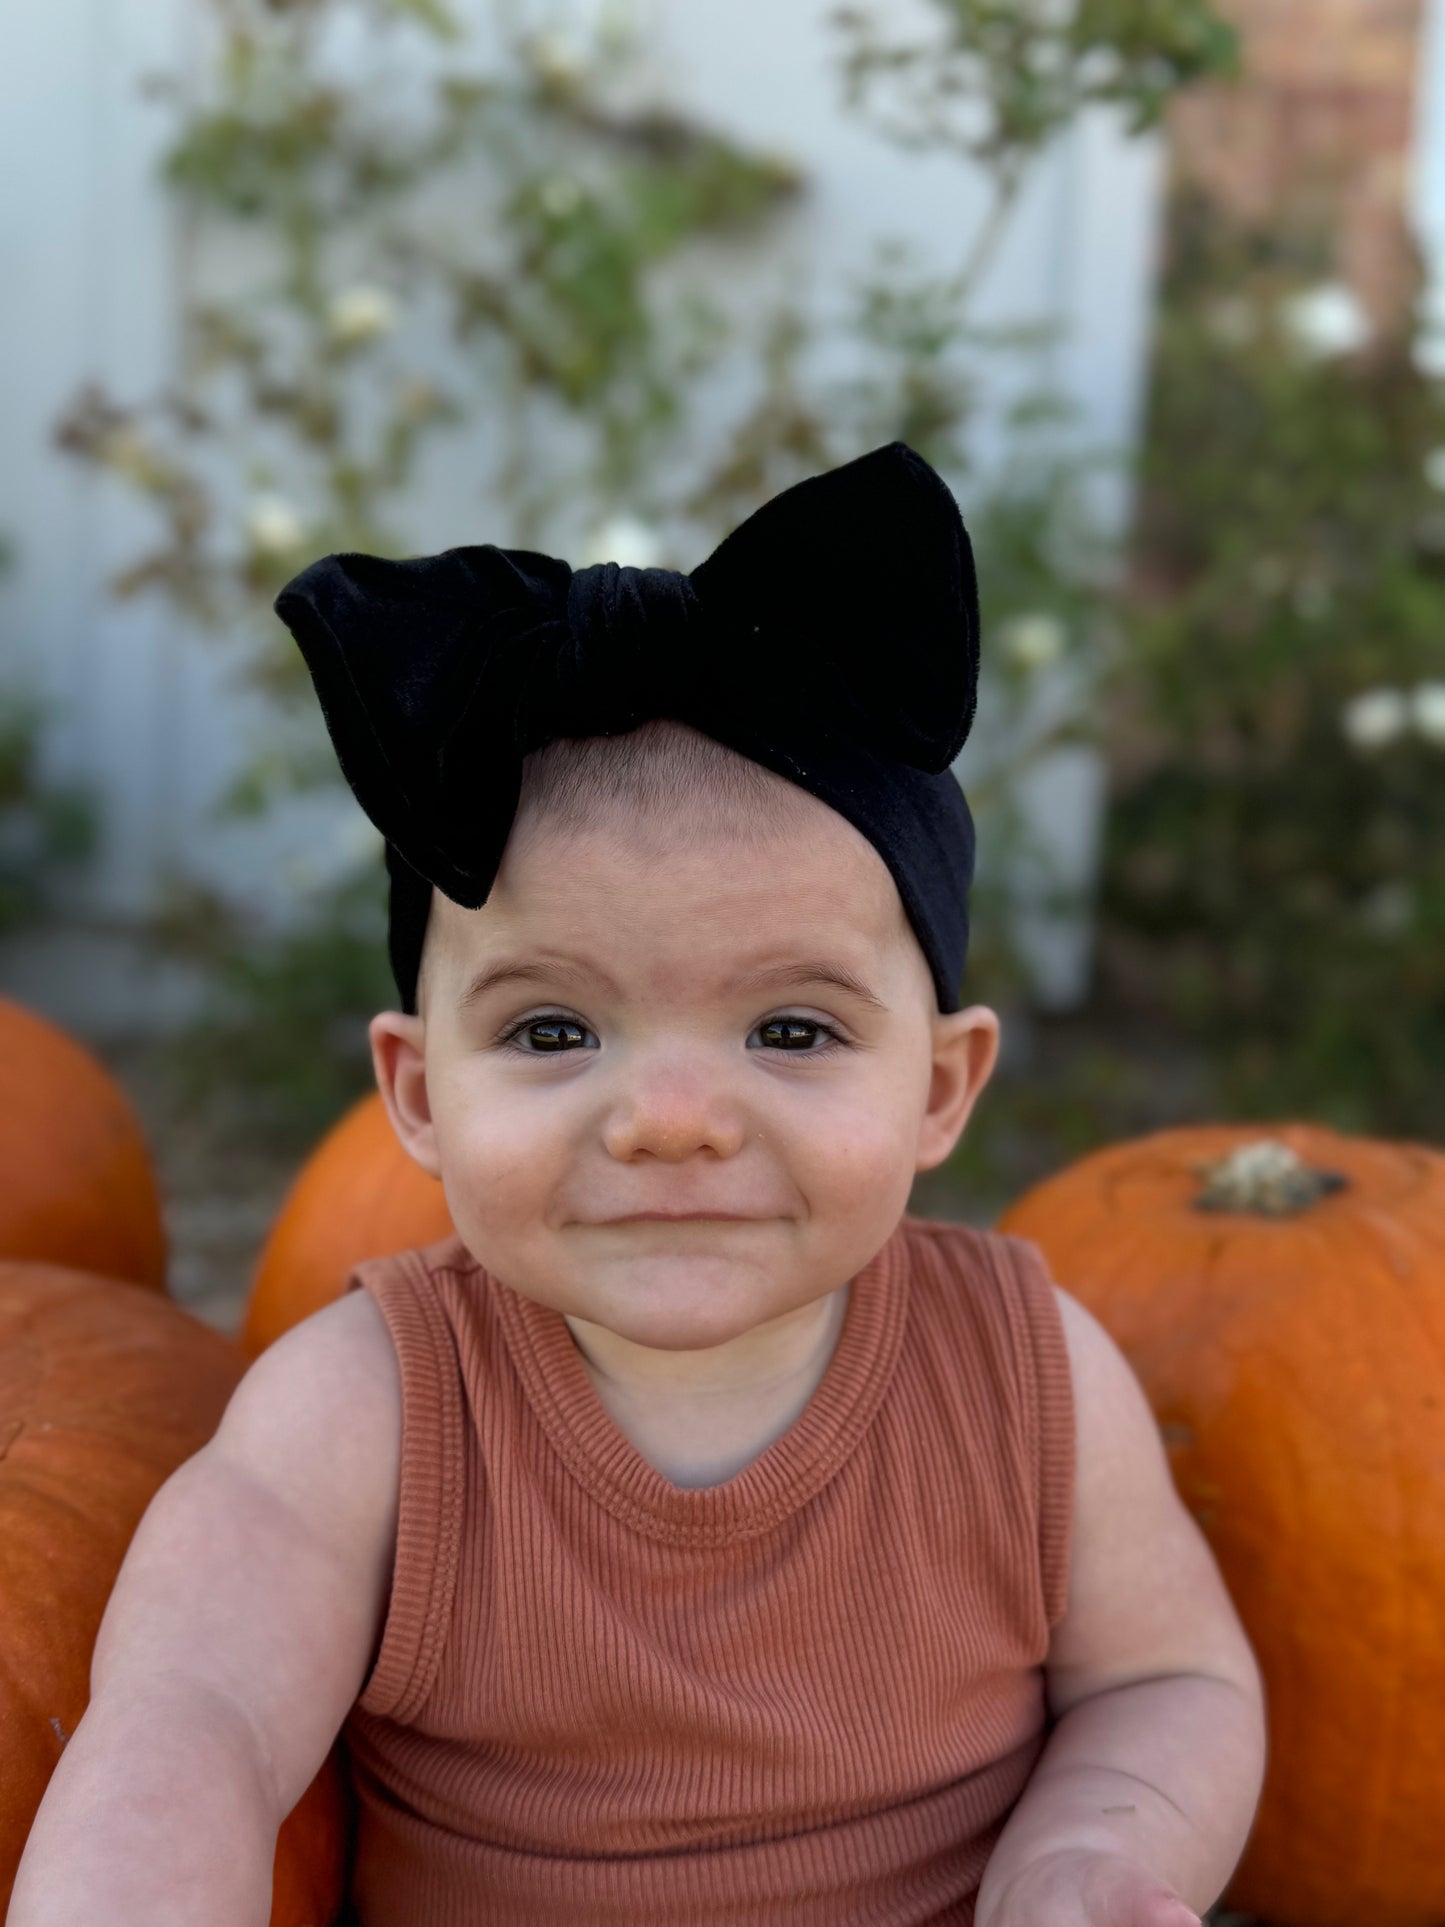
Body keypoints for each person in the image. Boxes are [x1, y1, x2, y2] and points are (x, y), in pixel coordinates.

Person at [8, 443, 1265, 1926]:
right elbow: (187, 1717)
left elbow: (1166, 1676)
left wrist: (1093, 1857)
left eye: (789, 1028)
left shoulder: (1028, 1378)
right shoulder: (363, 1412)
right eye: (554, 1030)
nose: (669, 1120)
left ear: (936, 1087)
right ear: (418, 1091)